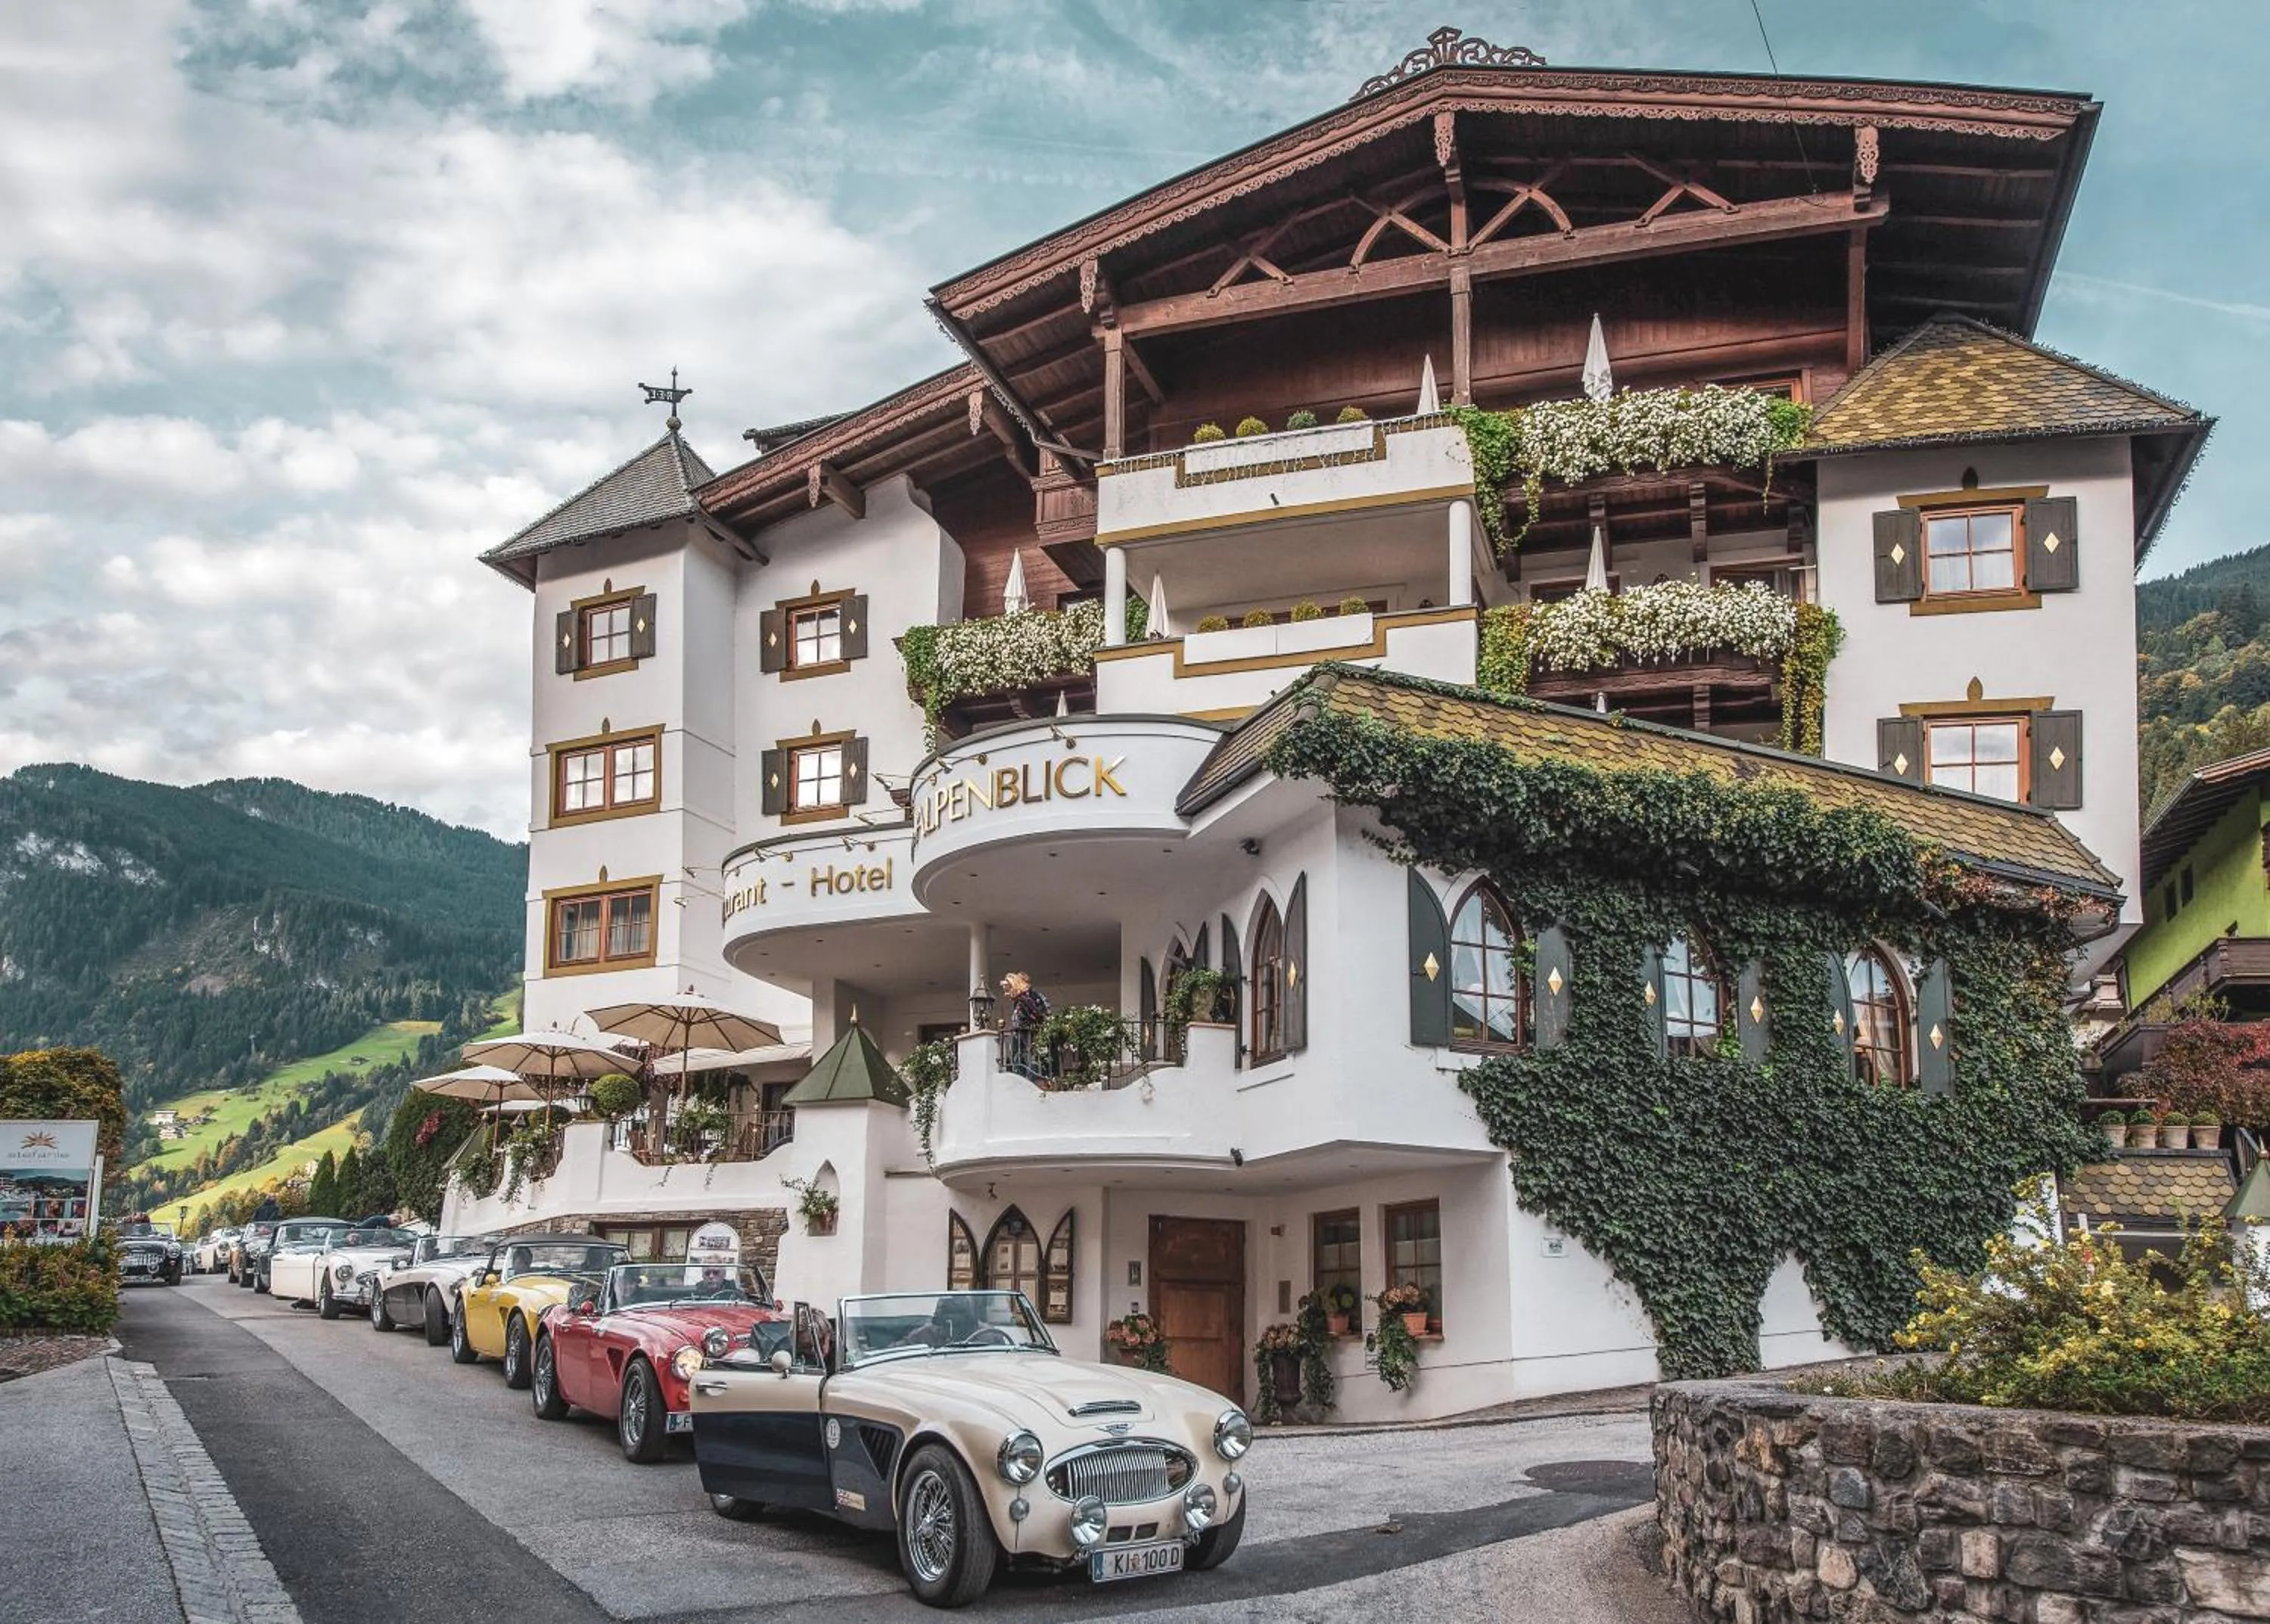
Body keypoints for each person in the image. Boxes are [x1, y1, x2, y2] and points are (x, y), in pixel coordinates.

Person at [1000, 971, 1049, 1079]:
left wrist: (1029, 1023)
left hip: (1027, 1030)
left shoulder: (1026, 998)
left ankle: (1031, 1077)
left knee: (1027, 1054)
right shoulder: (1019, 1000)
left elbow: (1036, 1013)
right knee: (1017, 1055)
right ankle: (1021, 1076)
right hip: (1019, 1030)